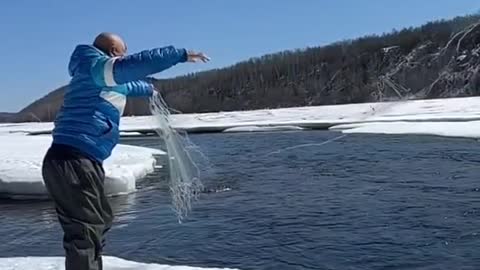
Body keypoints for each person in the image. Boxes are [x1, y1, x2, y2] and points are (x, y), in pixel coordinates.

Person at [41, 32, 209, 270]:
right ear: (113, 51)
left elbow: (127, 84)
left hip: (81, 159)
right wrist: (179, 55)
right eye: (123, 51)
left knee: (99, 221)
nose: (126, 56)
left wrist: (149, 90)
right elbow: (132, 67)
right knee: (85, 231)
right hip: (72, 159)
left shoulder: (101, 76)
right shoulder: (95, 66)